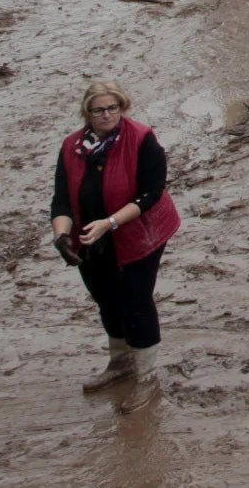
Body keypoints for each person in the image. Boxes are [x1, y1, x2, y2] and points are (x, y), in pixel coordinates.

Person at [51, 78, 180, 412]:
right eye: (98, 111)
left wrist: (110, 223)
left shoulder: (142, 140)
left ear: (123, 108)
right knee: (106, 299)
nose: (106, 115)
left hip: (139, 232)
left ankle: (147, 378)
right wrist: (62, 235)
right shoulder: (71, 147)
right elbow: (61, 200)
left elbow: (152, 193)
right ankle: (120, 363)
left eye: (112, 108)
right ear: (86, 113)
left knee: (136, 301)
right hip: (90, 236)